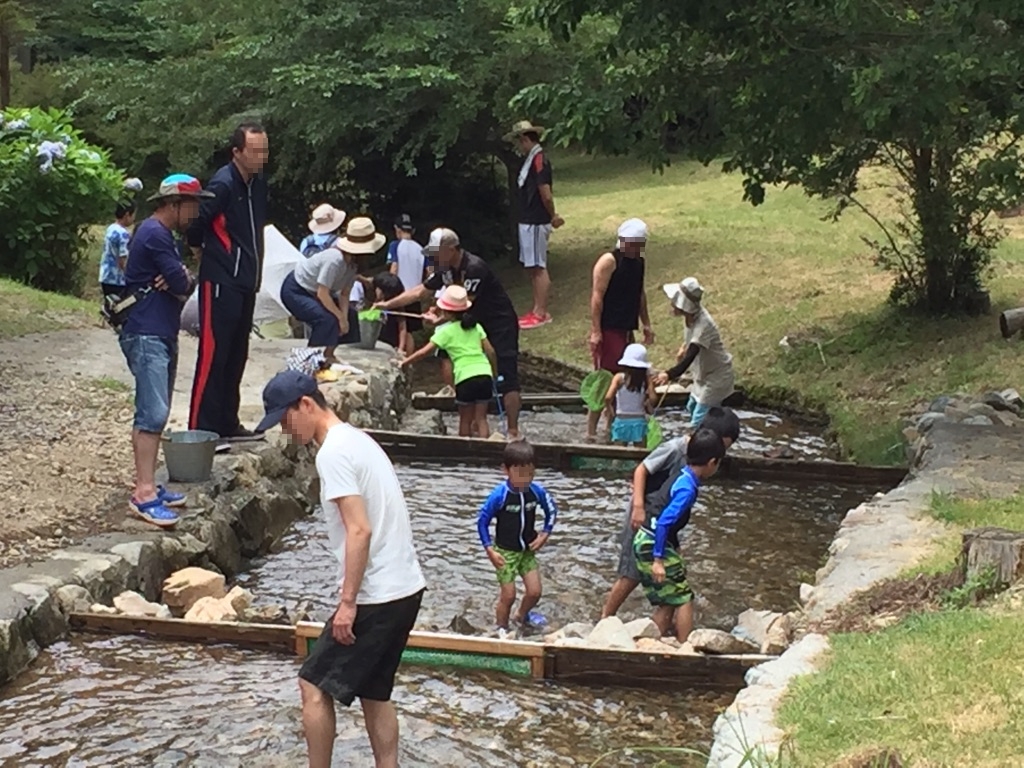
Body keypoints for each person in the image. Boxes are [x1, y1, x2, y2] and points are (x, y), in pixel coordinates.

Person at [254, 369, 426, 768]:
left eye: (286, 419)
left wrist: (348, 602)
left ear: (308, 405)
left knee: (312, 684)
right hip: (406, 587)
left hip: (377, 595)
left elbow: (359, 529)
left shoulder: (332, 451)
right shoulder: (359, 440)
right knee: (374, 690)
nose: (285, 430)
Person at [119, 175, 209, 528]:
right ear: (174, 205)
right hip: (147, 332)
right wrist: (178, 280)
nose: (197, 211)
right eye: (193, 204)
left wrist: (176, 282)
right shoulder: (156, 235)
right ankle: (143, 494)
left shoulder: (159, 234)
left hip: (158, 330)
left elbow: (179, 283)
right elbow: (183, 282)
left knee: (154, 410)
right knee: (152, 412)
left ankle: (148, 485)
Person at [375, 227, 524, 439]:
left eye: (436, 253)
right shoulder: (444, 269)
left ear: (451, 250)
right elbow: (420, 291)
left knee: (507, 376)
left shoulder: (474, 268)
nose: (433, 258)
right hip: (471, 322)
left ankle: (512, 431)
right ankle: (474, 425)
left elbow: (464, 304)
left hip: (499, 324)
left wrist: (440, 318)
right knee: (458, 363)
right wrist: (388, 304)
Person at [601, 406, 740, 619]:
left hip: (664, 522)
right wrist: (638, 507)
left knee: (672, 574)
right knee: (631, 573)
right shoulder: (676, 449)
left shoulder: (698, 460)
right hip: (643, 516)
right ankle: (605, 618)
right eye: (723, 447)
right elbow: (641, 470)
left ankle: (662, 625)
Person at [187, 122, 269, 442]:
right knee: (213, 354)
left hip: (247, 281)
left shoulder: (258, 184)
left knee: (237, 353)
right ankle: (202, 430)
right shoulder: (223, 183)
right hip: (220, 280)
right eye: (255, 151)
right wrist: (200, 251)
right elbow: (196, 223)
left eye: (265, 151)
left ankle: (226, 422)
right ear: (237, 152)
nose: (261, 157)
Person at [633, 428, 725, 641]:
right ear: (712, 462)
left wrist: (675, 549)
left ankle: (652, 641)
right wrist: (658, 559)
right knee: (684, 597)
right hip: (652, 542)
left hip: (646, 537)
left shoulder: (682, 473)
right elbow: (665, 521)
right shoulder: (687, 489)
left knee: (669, 598)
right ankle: (686, 647)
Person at [476, 440, 558, 637]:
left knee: (535, 591)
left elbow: (552, 510)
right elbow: (482, 522)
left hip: (527, 551)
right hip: (504, 553)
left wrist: (545, 533)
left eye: (530, 473)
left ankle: (521, 615)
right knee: (509, 595)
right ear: (506, 470)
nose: (525, 479)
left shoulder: (536, 492)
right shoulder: (500, 496)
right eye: (520, 473)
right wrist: (489, 550)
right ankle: (501, 628)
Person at [280, 217, 385, 364]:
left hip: (316, 292)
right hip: (296, 289)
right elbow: (322, 293)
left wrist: (344, 317)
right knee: (326, 319)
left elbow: (345, 293)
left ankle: (329, 354)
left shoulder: (353, 265)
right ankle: (310, 359)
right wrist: (340, 318)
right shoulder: (335, 259)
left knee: (350, 314)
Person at [587, 218, 654, 440]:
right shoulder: (609, 261)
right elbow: (597, 296)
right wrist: (596, 331)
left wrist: (646, 323)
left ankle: (611, 427)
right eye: (635, 244)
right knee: (605, 380)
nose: (638, 249)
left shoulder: (639, 263)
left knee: (626, 377)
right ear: (624, 241)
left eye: (641, 245)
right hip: (608, 328)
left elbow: (639, 294)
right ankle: (591, 432)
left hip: (626, 328)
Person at [399, 286, 496, 438]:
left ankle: (466, 454)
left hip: (465, 377)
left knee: (465, 420)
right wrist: (494, 373)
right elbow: (490, 352)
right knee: (482, 418)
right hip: (484, 374)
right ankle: (487, 451)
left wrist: (405, 362)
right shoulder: (476, 327)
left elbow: (424, 352)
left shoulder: (446, 332)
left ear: (447, 313)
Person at [506, 120, 564, 330]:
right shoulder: (531, 160)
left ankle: (541, 311)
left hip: (536, 220)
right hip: (528, 220)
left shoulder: (539, 160)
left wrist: (552, 215)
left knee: (538, 266)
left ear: (525, 139)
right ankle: (537, 308)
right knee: (532, 267)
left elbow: (545, 192)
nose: (519, 147)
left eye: (520, 142)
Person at [655, 277, 734, 428]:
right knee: (691, 408)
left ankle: (699, 444)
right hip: (702, 375)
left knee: (698, 420)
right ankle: (709, 437)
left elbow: (690, 357)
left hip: (716, 377)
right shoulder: (690, 318)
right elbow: (689, 346)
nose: (671, 304)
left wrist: (669, 373)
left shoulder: (703, 325)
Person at [386, 214, 424, 355]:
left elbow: (394, 268)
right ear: (412, 230)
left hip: (399, 294)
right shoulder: (421, 248)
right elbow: (429, 271)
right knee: (409, 331)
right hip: (415, 293)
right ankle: (410, 363)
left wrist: (387, 289)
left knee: (398, 328)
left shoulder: (395, 246)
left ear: (397, 229)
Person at [605, 343, 655, 447]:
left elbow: (608, 397)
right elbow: (653, 398)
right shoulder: (645, 379)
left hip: (621, 420)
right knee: (640, 454)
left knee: (618, 456)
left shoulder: (619, 378)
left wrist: (609, 408)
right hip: (639, 421)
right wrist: (648, 403)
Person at [99, 200, 136, 300]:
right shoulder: (123, 234)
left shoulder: (111, 228)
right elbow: (122, 260)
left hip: (106, 275)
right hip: (117, 279)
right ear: (127, 215)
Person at [372, 272, 410, 354]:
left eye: (380, 289)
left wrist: (401, 348)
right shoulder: (374, 303)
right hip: (375, 342)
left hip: (391, 343)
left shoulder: (397, 308)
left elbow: (402, 328)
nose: (376, 291)